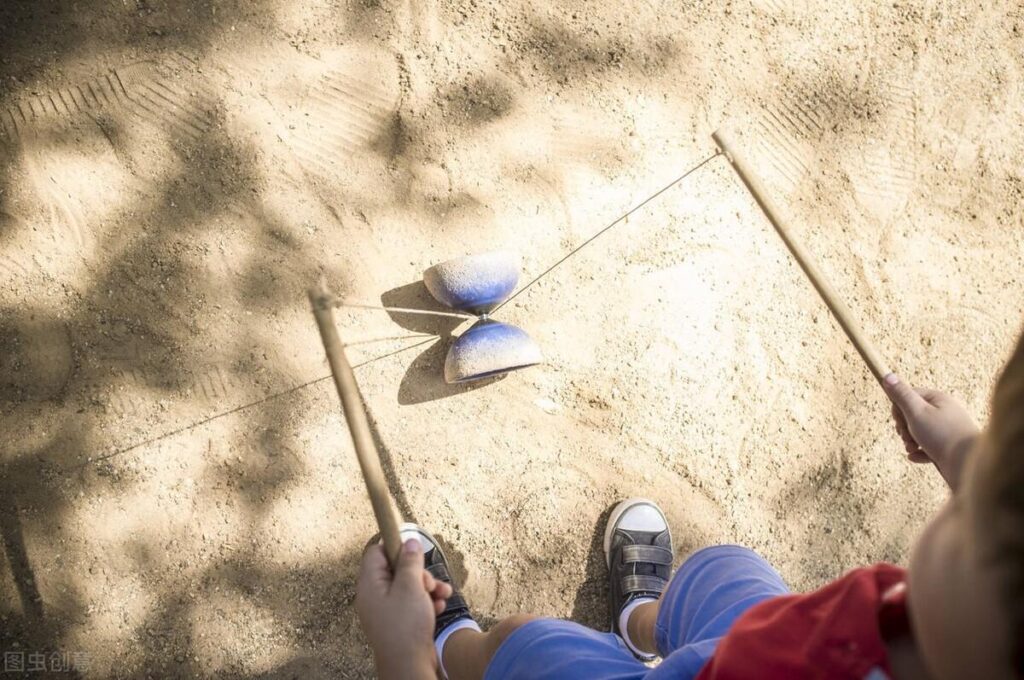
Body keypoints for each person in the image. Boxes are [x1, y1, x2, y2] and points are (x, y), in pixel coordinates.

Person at [356, 332, 1024, 680]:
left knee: (527, 648)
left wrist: (402, 657)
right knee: (722, 570)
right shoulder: (961, 630)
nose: (955, 506)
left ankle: (450, 648)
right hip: (782, 637)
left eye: (970, 520)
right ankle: (638, 624)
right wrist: (969, 455)